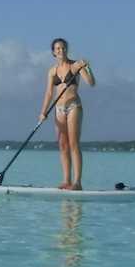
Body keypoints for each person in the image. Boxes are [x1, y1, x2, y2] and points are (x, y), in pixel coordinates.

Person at [40, 38, 95, 190]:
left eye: (63, 48)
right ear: (53, 52)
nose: (61, 50)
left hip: (73, 107)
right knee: (62, 145)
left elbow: (91, 83)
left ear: (67, 49)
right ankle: (66, 180)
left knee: (73, 143)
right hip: (58, 109)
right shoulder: (52, 71)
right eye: (57, 48)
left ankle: (77, 182)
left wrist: (87, 67)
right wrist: (43, 112)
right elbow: (49, 93)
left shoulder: (76, 65)